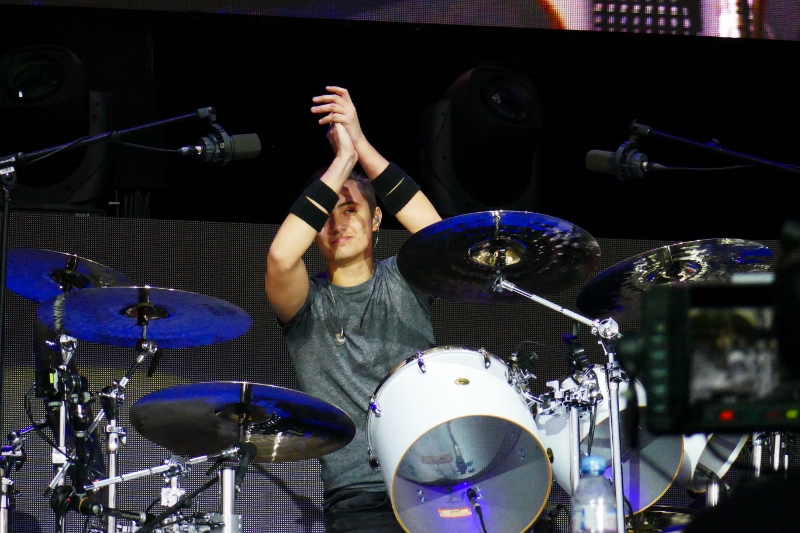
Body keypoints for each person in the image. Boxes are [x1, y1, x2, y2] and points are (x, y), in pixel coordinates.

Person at [265, 86, 442, 532]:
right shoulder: (306, 303)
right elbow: (281, 258)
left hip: (437, 483)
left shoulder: (403, 277)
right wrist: (342, 160)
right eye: (325, 213)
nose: (337, 223)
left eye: (350, 209)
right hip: (358, 499)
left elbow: (442, 240)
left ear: (377, 219)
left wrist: (360, 144)